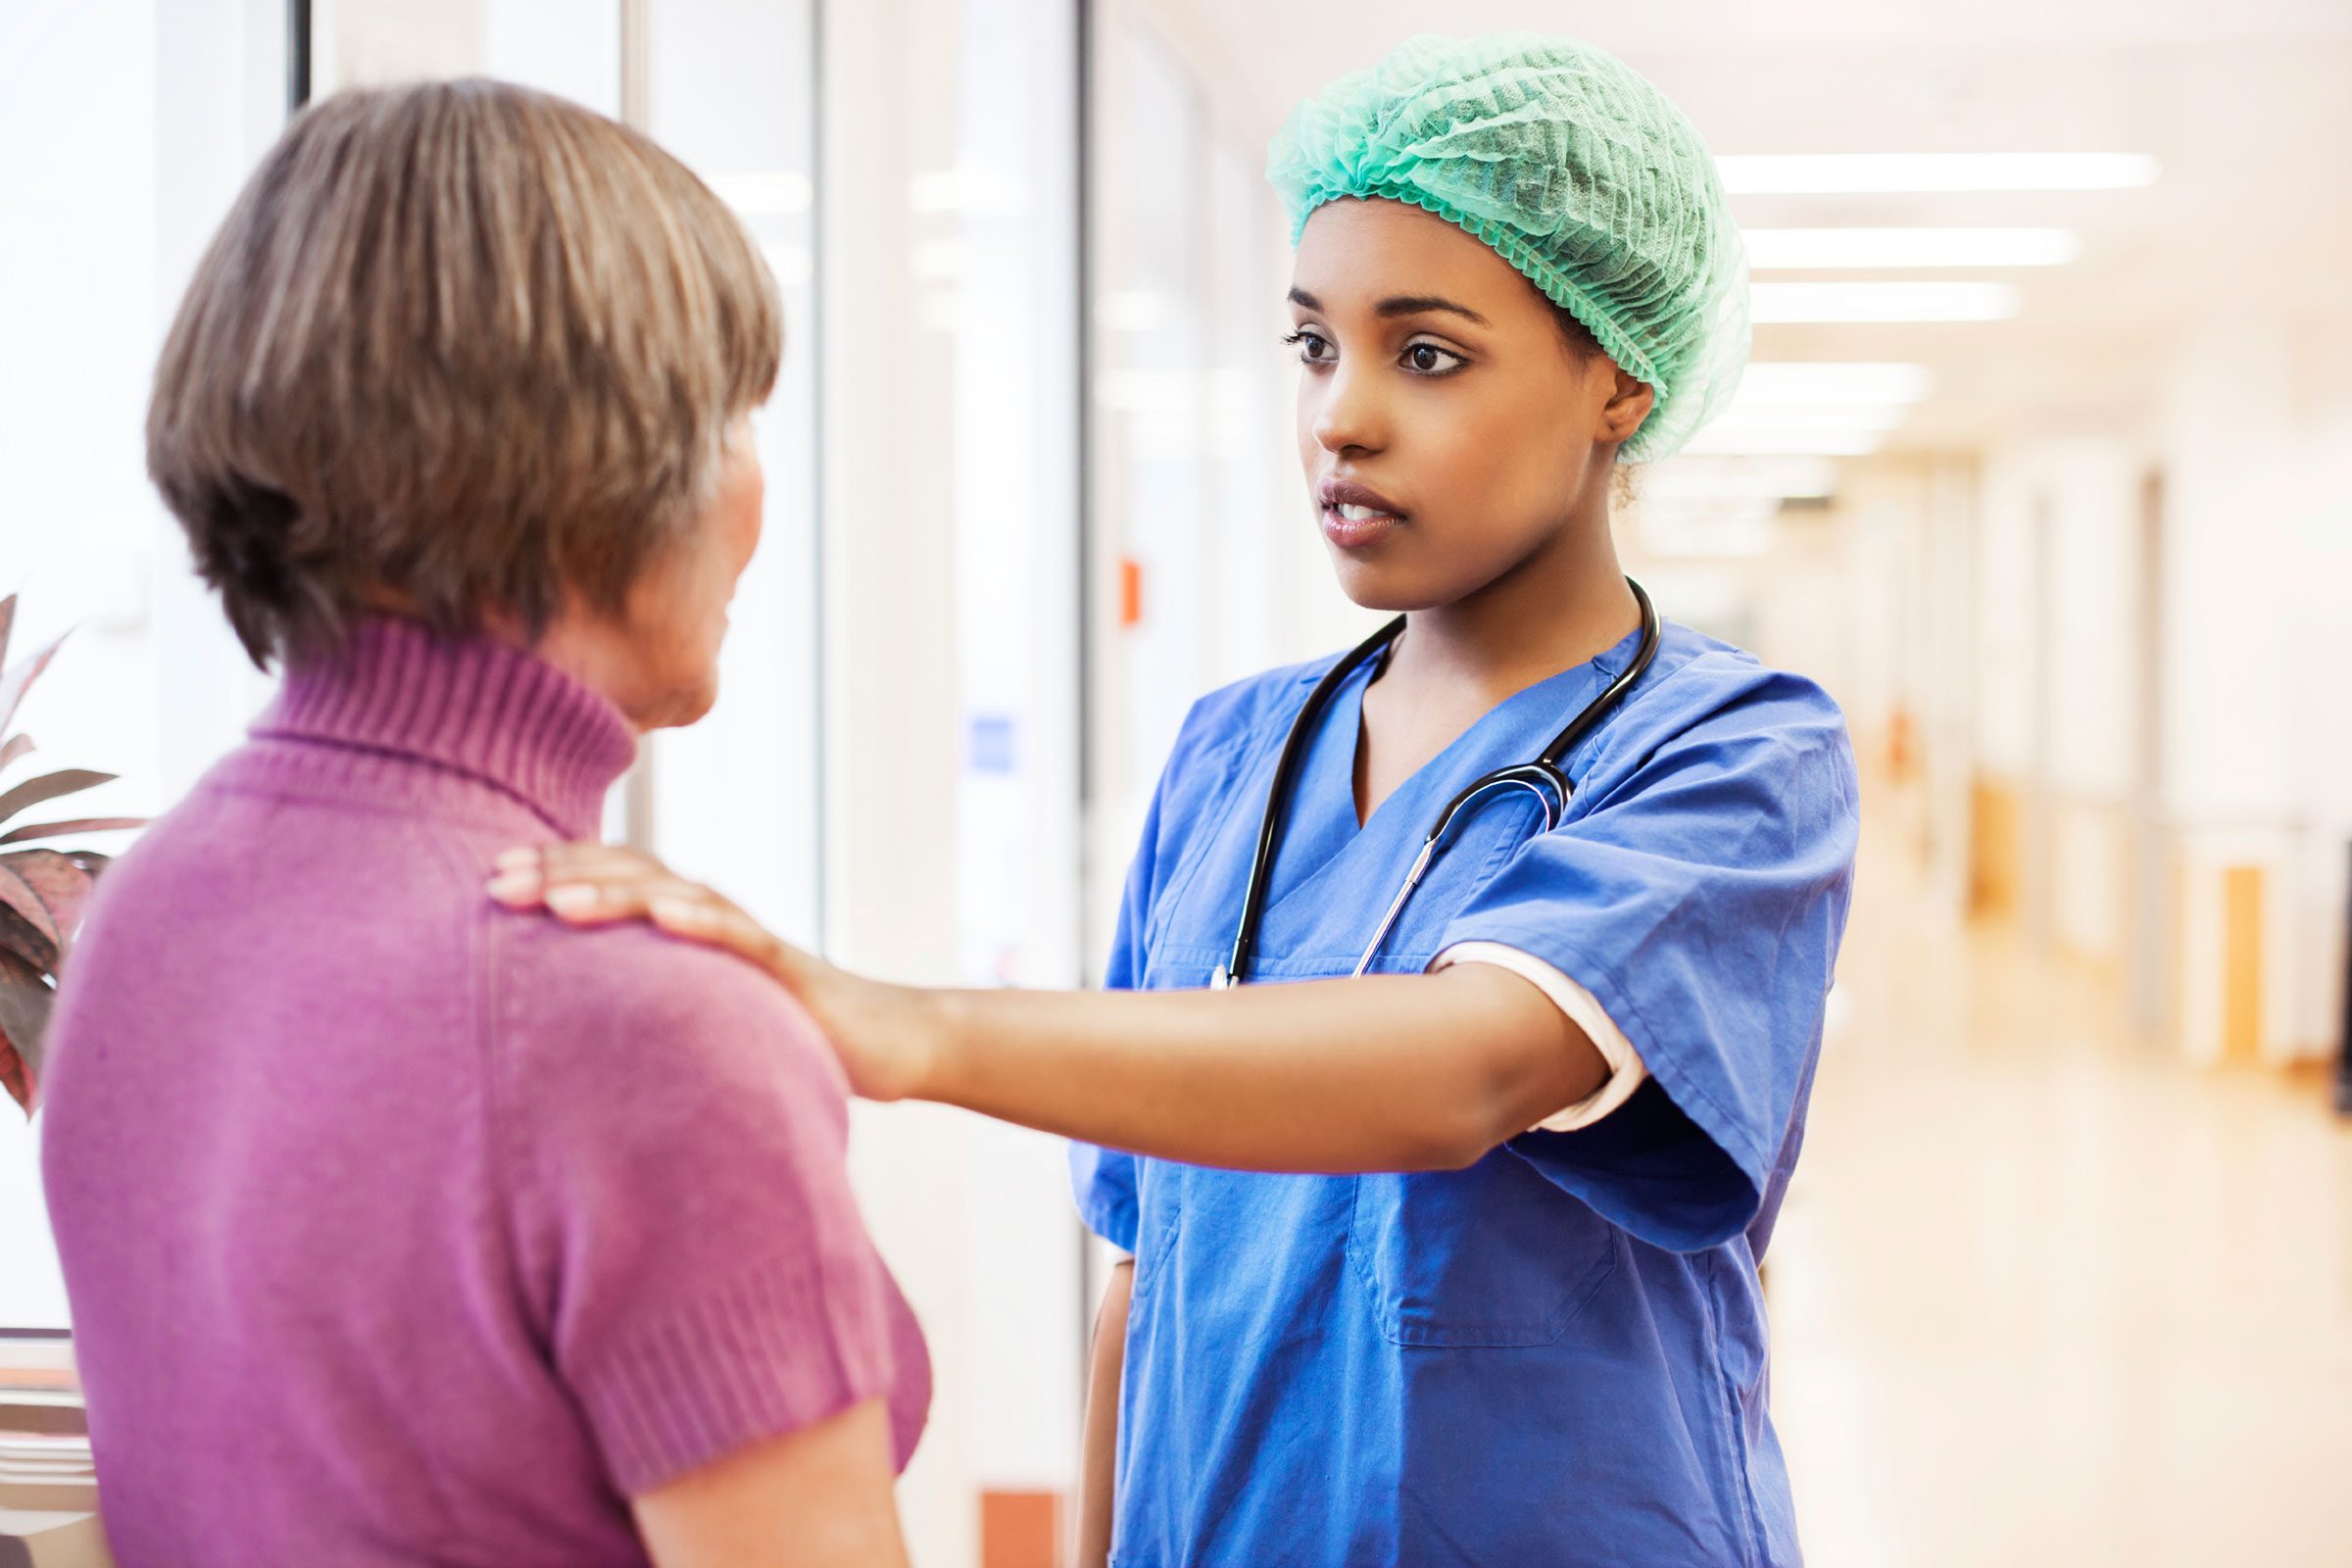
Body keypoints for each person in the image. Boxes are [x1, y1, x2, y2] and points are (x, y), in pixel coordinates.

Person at [498, 33, 1858, 1568]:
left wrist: (913, 1025)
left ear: (1619, 379)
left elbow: (1468, 1066)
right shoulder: (1234, 755)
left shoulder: (1736, 752)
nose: (1341, 417)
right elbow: (1143, 1275)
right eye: (1311, 347)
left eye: (1426, 354)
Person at [39, 81, 926, 1568]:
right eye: (730, 420)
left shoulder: (144, 916)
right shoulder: (640, 1024)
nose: (756, 497)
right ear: (601, 461)